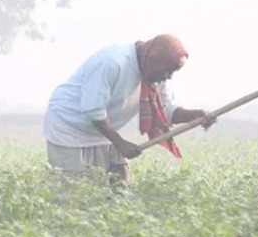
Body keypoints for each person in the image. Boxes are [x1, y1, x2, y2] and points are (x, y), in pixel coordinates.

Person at [42, 34, 216, 182]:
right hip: (70, 126)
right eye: (167, 71)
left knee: (119, 182)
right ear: (151, 59)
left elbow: (166, 111)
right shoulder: (112, 62)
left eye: (173, 72)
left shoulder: (154, 75)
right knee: (73, 190)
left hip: (103, 130)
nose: (168, 77)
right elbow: (93, 110)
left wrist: (197, 115)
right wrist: (120, 143)